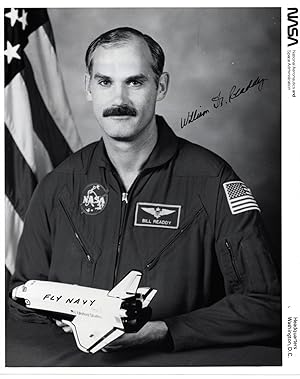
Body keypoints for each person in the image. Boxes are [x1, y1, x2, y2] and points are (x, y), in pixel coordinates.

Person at [9, 27, 281, 353]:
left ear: (160, 86)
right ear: (88, 87)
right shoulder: (58, 186)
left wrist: (162, 331)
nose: (119, 100)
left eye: (135, 82)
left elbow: (267, 306)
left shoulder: (213, 181)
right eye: (105, 82)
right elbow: (21, 298)